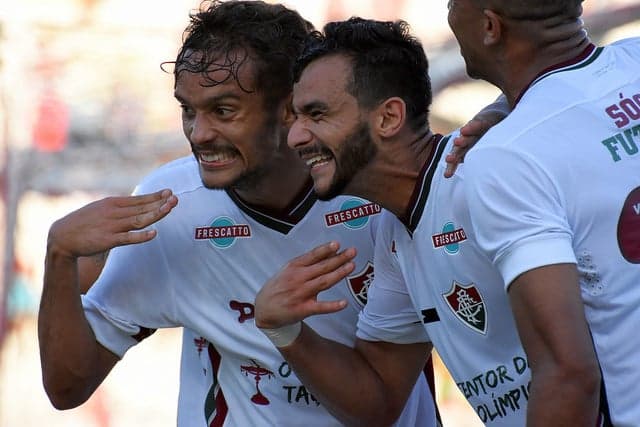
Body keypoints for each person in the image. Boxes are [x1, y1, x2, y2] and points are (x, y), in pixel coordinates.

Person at [37, 2, 440, 426]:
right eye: (188, 110)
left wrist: (285, 330)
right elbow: (66, 388)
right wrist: (58, 255)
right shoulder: (171, 207)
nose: (199, 134)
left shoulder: (377, 193)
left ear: (290, 106)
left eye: (223, 111)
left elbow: (378, 406)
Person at [253, 16, 598, 426]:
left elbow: (572, 372)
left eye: (316, 114)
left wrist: (514, 104)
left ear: (388, 118)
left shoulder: (483, 175)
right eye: (296, 117)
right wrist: (282, 329)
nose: (296, 137)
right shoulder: (392, 230)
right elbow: (377, 400)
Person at [447, 1, 640, 425]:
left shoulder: (507, 156)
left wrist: (518, 112)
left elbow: (568, 373)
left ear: (490, 26)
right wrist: (511, 105)